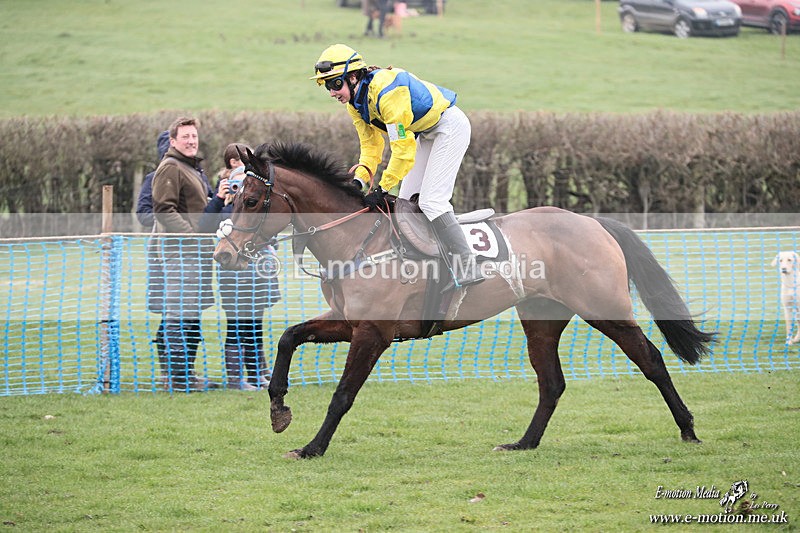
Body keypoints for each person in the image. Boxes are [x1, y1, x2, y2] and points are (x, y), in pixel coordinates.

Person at [309, 43, 484, 287]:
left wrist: (382, 187)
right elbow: (371, 148)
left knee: (431, 201)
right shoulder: (355, 104)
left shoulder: (387, 92)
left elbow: (403, 149)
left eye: (335, 84)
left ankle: (467, 264)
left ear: (353, 76)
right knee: (404, 203)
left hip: (449, 128)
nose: (331, 92)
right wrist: (359, 180)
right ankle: (429, 266)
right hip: (425, 133)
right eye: (327, 85)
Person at [199, 143, 281, 390]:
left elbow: (269, 234)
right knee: (236, 326)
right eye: (233, 185)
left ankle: (257, 375)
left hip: (255, 278)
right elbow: (204, 226)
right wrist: (219, 199)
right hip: (232, 280)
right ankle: (236, 379)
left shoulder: (254, 212)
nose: (237, 190)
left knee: (255, 327)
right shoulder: (223, 208)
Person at [151, 117, 219, 392]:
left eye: (194, 136)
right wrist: (190, 237)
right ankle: (179, 380)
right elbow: (163, 209)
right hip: (180, 253)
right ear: (173, 141)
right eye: (186, 137)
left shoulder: (192, 168)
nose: (191, 141)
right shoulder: (170, 167)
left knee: (191, 316)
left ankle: (187, 375)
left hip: (198, 254)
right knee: (178, 317)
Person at [136, 130, 171, 388]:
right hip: (162, 254)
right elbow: (144, 215)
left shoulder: (195, 173)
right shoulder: (153, 179)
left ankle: (185, 371)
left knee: (188, 316)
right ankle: (168, 371)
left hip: (193, 252)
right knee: (169, 314)